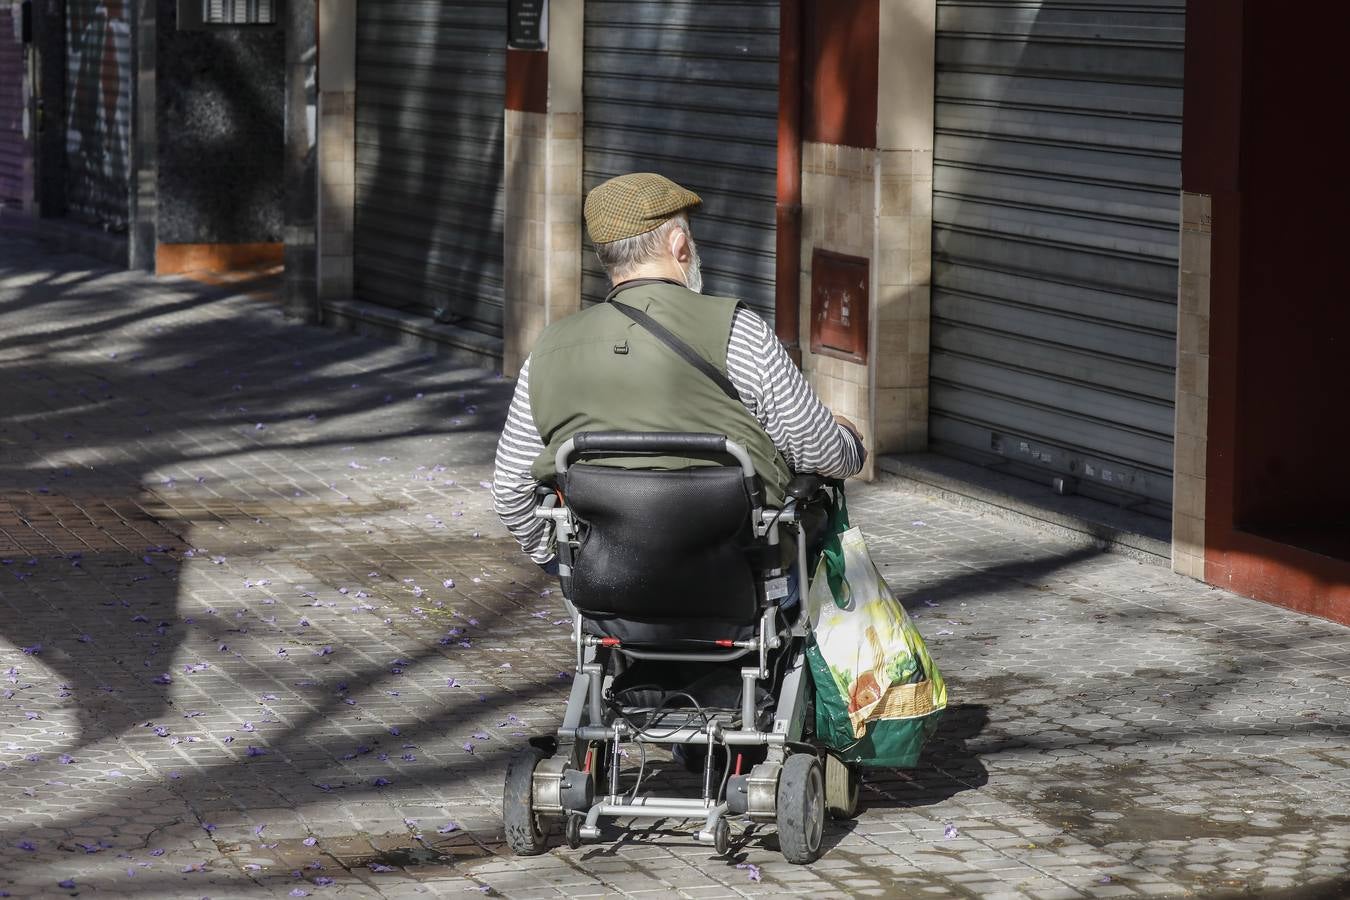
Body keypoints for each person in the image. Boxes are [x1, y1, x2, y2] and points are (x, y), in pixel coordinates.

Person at [492, 172, 865, 569]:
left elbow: (509, 490)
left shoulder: (547, 352)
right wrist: (848, 441)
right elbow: (822, 453)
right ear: (679, 244)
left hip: (607, 583)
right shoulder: (738, 331)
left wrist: (560, 559)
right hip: (738, 576)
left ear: (607, 256)